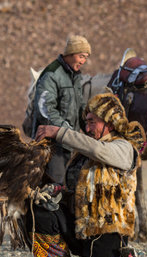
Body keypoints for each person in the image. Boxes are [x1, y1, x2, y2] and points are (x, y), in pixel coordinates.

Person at [27, 93, 146, 257]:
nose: (88, 128)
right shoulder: (83, 153)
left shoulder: (124, 148)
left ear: (111, 122)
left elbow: (99, 151)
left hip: (106, 230)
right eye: (86, 122)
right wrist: (59, 192)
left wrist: (58, 132)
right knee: (41, 210)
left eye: (93, 122)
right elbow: (79, 186)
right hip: (80, 225)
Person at [22, 35, 92, 184]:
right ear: (71, 54)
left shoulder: (75, 77)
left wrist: (90, 127)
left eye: (86, 58)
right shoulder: (51, 75)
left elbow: (80, 107)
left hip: (70, 144)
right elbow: (45, 110)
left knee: (71, 186)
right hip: (53, 147)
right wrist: (67, 132)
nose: (83, 61)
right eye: (81, 56)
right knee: (55, 188)